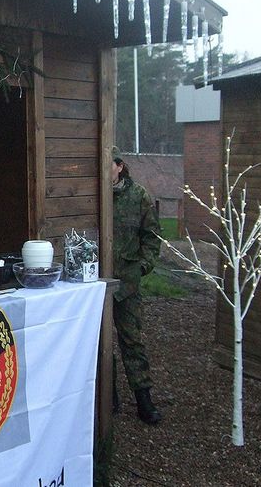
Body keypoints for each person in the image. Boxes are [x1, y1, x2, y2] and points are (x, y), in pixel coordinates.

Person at [112, 152, 162, 424]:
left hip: (127, 283)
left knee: (132, 341)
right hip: (97, 281)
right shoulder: (93, 193)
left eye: (108, 163)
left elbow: (152, 237)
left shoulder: (139, 196)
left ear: (119, 167)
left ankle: (143, 399)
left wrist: (143, 267)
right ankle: (109, 398)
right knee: (99, 343)